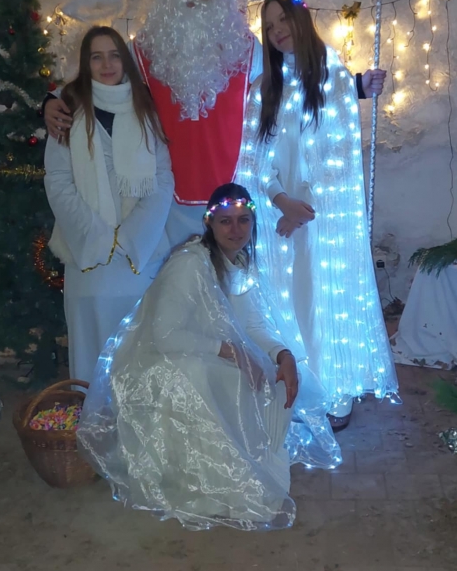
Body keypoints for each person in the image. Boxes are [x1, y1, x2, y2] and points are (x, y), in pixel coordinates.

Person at [77, 183, 342, 531]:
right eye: (225, 221)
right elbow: (165, 336)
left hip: (204, 352)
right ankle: (209, 482)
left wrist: (283, 355)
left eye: (243, 220)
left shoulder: (240, 263)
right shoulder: (190, 264)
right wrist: (232, 352)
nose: (235, 230)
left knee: (273, 377)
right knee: (218, 377)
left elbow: (253, 324)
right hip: (160, 366)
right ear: (209, 223)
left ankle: (246, 458)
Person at [45, 0, 260, 248]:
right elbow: (99, 80)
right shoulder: (145, 48)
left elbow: (285, 95)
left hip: (232, 197)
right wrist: (50, 101)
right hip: (160, 197)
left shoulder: (246, 48)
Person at [236, 0, 398, 431]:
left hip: (323, 220)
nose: (278, 31)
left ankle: (332, 388)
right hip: (278, 221)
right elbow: (254, 157)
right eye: (269, 26)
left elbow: (338, 154)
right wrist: (280, 201)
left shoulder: (333, 77)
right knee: (286, 302)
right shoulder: (264, 89)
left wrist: (304, 209)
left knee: (322, 303)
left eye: (283, 20)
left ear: (301, 20)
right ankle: (293, 387)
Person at [44, 26, 173, 383]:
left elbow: (163, 178)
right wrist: (98, 238)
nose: (107, 65)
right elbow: (58, 180)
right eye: (96, 57)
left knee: (141, 354)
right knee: (93, 358)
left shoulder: (145, 108)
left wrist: (131, 238)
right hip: (88, 256)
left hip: (140, 256)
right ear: (86, 64)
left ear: (125, 60)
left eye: (114, 55)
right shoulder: (68, 111)